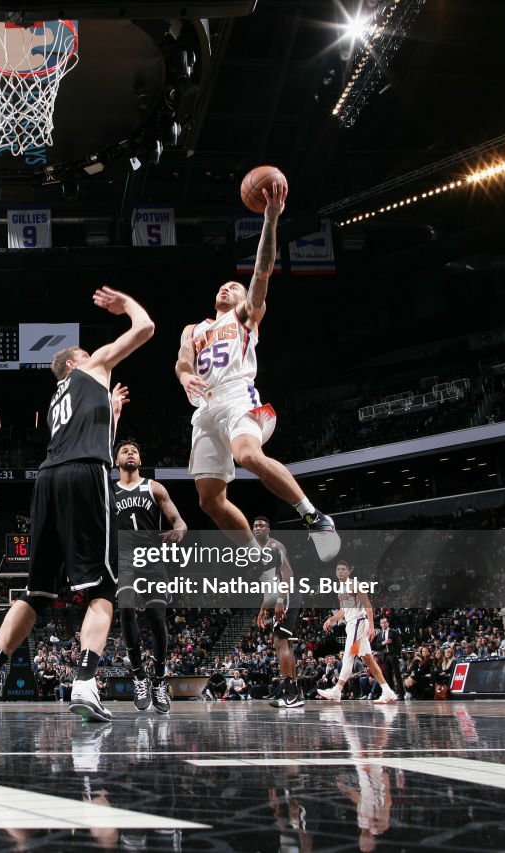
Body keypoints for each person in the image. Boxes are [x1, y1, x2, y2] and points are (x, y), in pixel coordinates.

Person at [0, 287, 155, 723]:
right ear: (74, 362)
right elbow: (145, 328)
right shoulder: (92, 367)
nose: (94, 356)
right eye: (87, 354)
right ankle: (86, 682)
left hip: (47, 479)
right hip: (84, 476)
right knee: (104, 589)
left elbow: (96, 440)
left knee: (37, 592)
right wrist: (125, 303)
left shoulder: (57, 400)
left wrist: (114, 415)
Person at [174, 180, 340, 563]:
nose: (227, 288)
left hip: (237, 395)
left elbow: (262, 272)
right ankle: (258, 559)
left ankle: (315, 519)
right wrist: (185, 376)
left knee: (247, 454)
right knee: (209, 501)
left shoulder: (247, 316)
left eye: (234, 286)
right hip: (205, 409)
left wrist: (270, 219)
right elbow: (183, 361)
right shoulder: (193, 330)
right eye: (224, 285)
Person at [111, 437, 187, 715]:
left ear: (139, 460)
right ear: (116, 461)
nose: (130, 453)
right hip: (125, 560)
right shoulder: (109, 493)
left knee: (156, 616)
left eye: (134, 450)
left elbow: (179, 521)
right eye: (124, 451)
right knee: (127, 610)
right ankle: (139, 675)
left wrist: (179, 530)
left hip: (152, 559)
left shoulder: (154, 487)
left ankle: (158, 679)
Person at [317, 561, 397, 704]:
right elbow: (342, 612)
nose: (340, 571)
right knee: (368, 659)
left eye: (343, 569)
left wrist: (372, 627)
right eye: (338, 569)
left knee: (348, 655)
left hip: (359, 623)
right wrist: (330, 620)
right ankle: (388, 691)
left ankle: (337, 690)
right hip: (351, 624)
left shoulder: (355, 584)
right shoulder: (340, 590)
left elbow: (368, 606)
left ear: (349, 572)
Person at [252, 516, 304, 709]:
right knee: (286, 645)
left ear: (268, 529)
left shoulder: (275, 547)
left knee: (280, 642)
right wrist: (262, 610)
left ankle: (289, 693)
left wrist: (281, 600)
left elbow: (288, 573)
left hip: (287, 595)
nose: (258, 528)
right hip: (281, 597)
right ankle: (296, 694)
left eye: (262, 525)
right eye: (255, 525)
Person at [372, 616, 401, 695]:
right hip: (384, 656)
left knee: (397, 675)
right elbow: (375, 646)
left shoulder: (393, 632)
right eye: (382, 623)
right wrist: (383, 643)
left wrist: (397, 655)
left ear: (388, 623)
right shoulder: (380, 634)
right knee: (388, 676)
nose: (383, 624)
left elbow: (399, 645)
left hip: (393, 655)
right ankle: (391, 693)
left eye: (385, 622)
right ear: (380, 624)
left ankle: (401, 693)